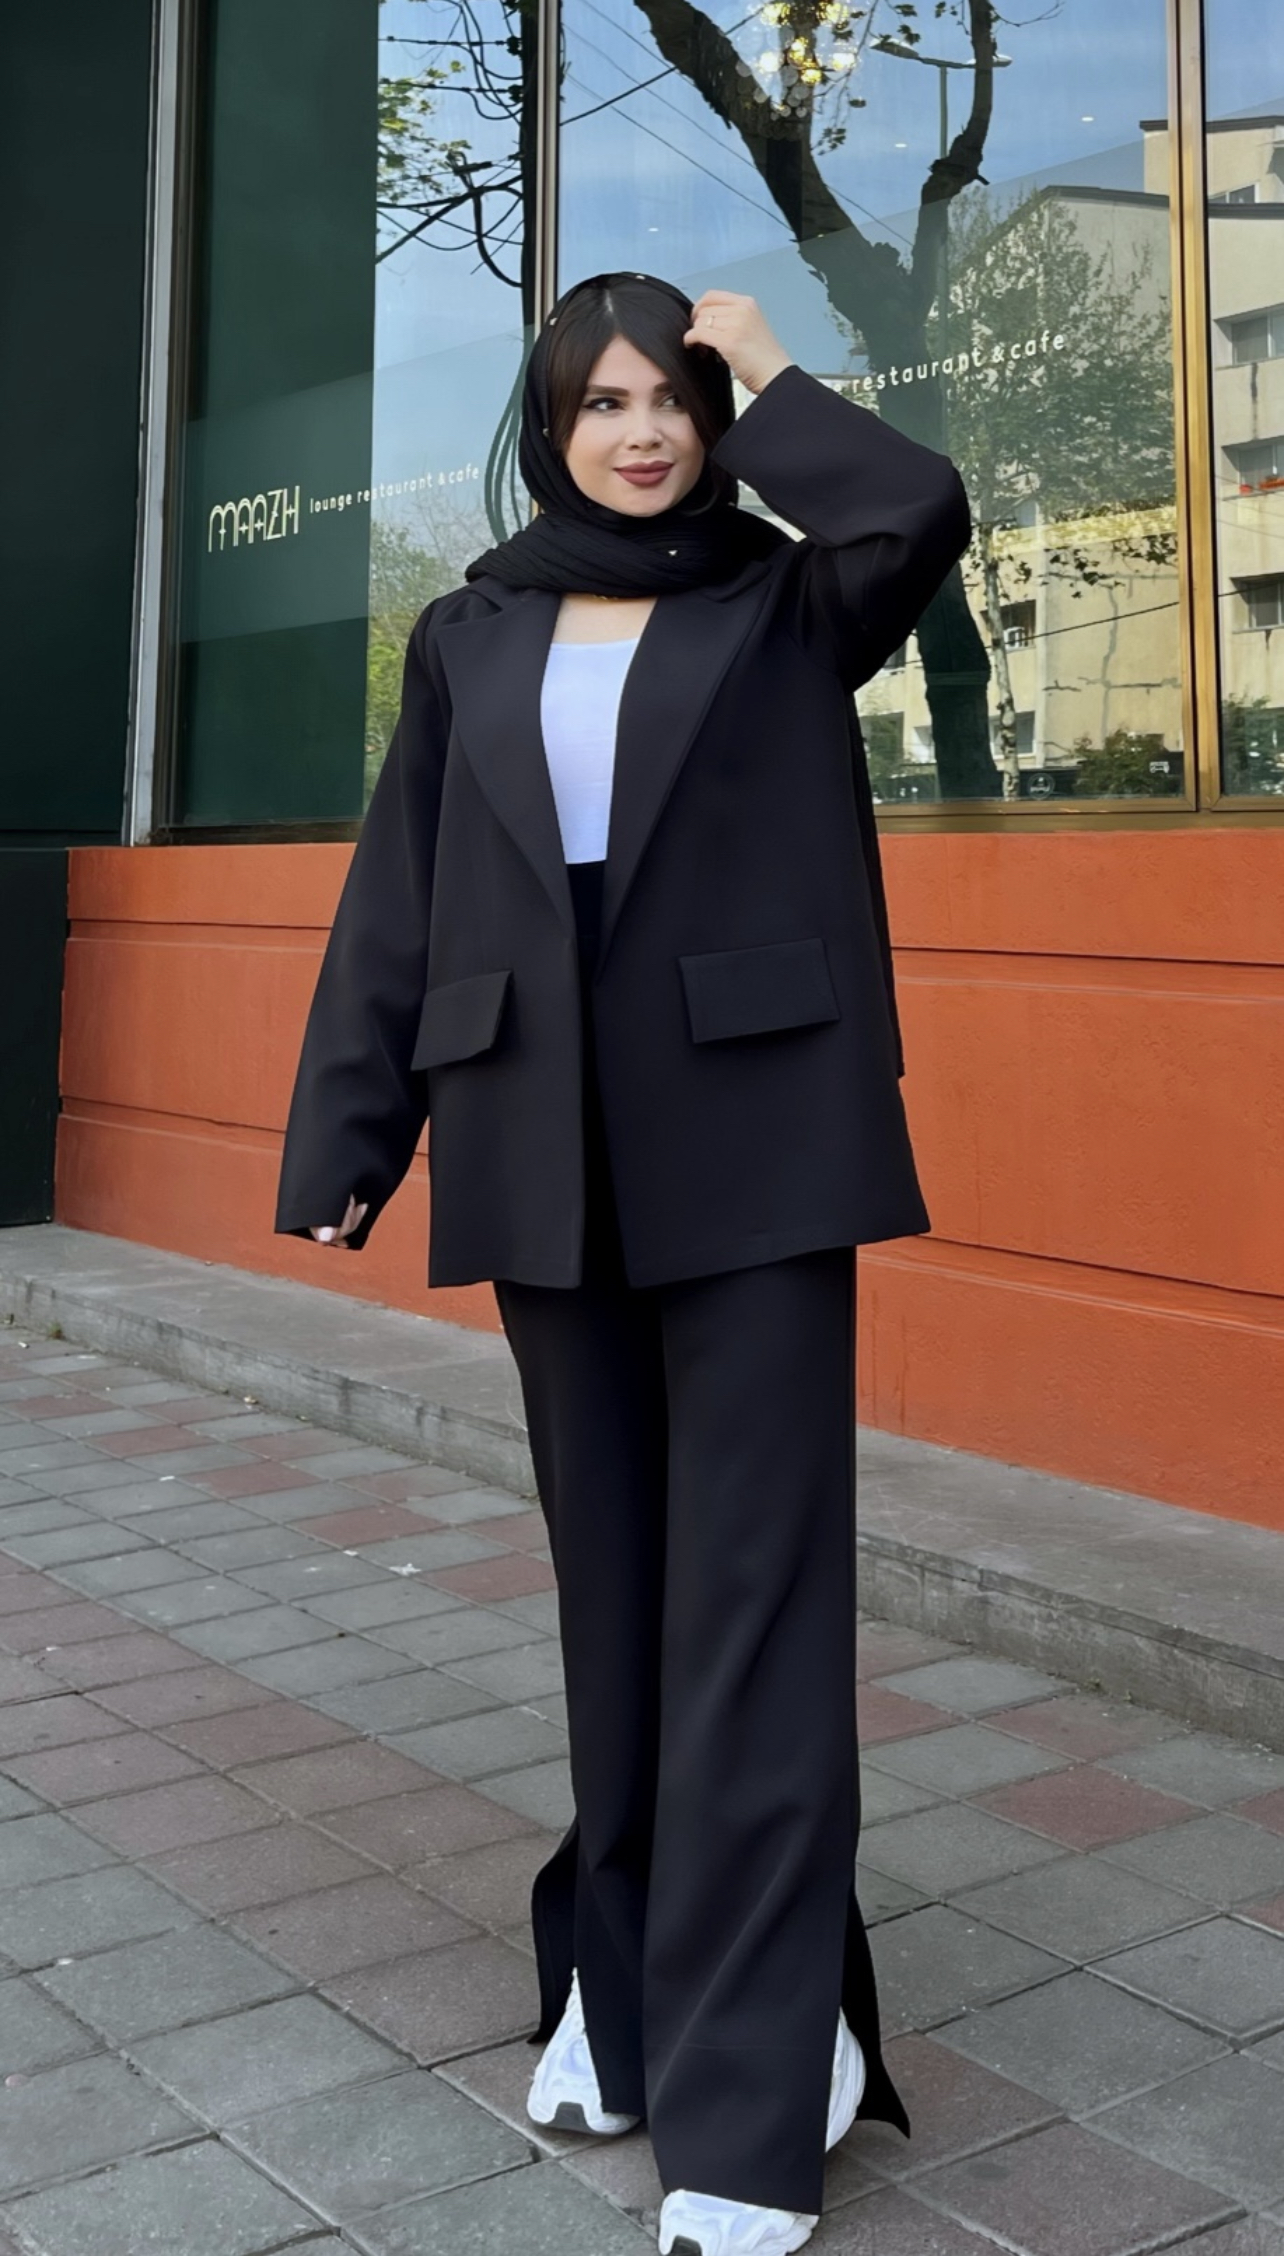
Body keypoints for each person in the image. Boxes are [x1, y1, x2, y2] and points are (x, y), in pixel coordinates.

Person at [275, 272, 971, 2256]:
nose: (644, 430)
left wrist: (775, 368)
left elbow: (913, 506)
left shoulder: (789, 598)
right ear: (549, 428)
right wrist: (349, 1138)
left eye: (674, 396)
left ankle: (756, 2086)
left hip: (755, 1148)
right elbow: (403, 890)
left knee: (751, 1610)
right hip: (538, 1151)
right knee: (622, 1606)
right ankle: (629, 1973)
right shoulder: (470, 630)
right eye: (603, 402)